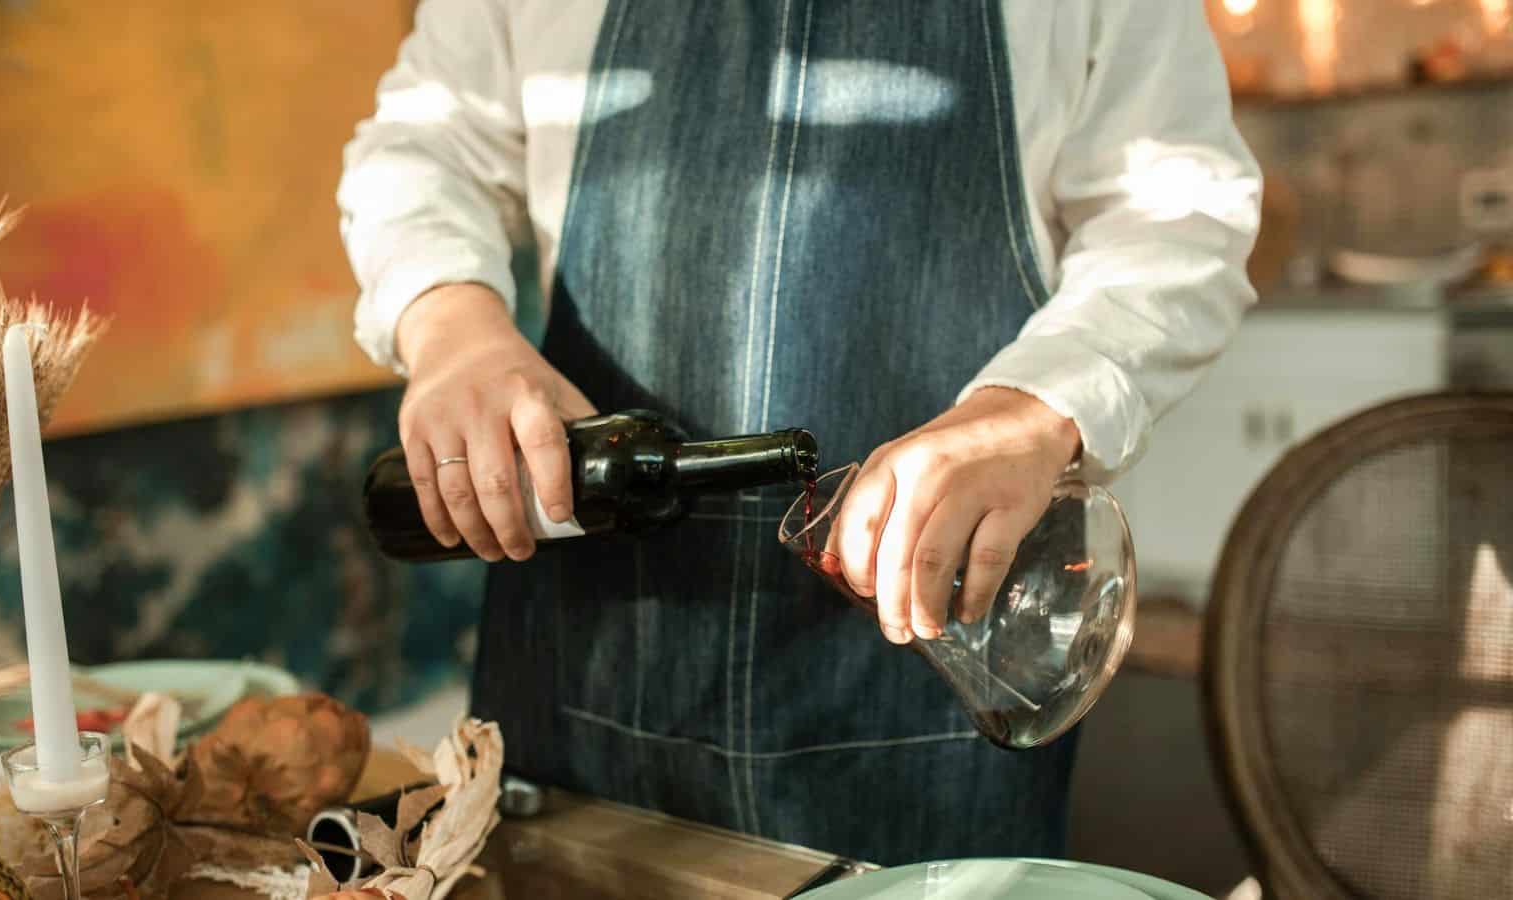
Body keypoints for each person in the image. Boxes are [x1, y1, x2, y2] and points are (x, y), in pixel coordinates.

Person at [339, 0, 1261, 865]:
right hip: (583, 695)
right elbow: (425, 145)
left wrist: (1030, 409)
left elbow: (1178, 213)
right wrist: (449, 324)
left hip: (928, 710)